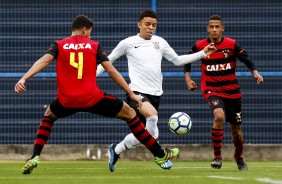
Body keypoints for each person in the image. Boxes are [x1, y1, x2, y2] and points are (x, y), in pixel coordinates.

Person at [14, 15, 180, 174]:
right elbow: (111, 70)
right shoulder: (94, 45)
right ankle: (160, 155)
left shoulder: (59, 44)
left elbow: (44, 60)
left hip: (67, 99)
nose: (90, 35)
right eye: (90, 32)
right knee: (130, 114)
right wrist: (131, 93)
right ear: (85, 30)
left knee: (48, 116)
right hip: (92, 98)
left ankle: (35, 156)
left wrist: (23, 78)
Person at [96, 9, 216, 172]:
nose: (150, 28)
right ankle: (160, 155)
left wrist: (203, 53)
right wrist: (89, 78)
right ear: (139, 25)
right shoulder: (128, 43)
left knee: (143, 135)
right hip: (136, 92)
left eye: (154, 25)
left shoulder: (160, 42)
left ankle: (116, 150)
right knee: (152, 116)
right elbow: (107, 61)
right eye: (147, 24)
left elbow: (178, 60)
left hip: (156, 95)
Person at [184, 15, 263, 171]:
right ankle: (217, 157)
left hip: (232, 92)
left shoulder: (231, 45)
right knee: (219, 116)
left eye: (217, 27)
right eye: (211, 27)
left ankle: (239, 157)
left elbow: (247, 60)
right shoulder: (201, 45)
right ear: (207, 29)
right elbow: (187, 59)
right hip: (211, 89)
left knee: (237, 132)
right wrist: (188, 79)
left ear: (222, 28)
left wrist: (255, 72)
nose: (214, 29)